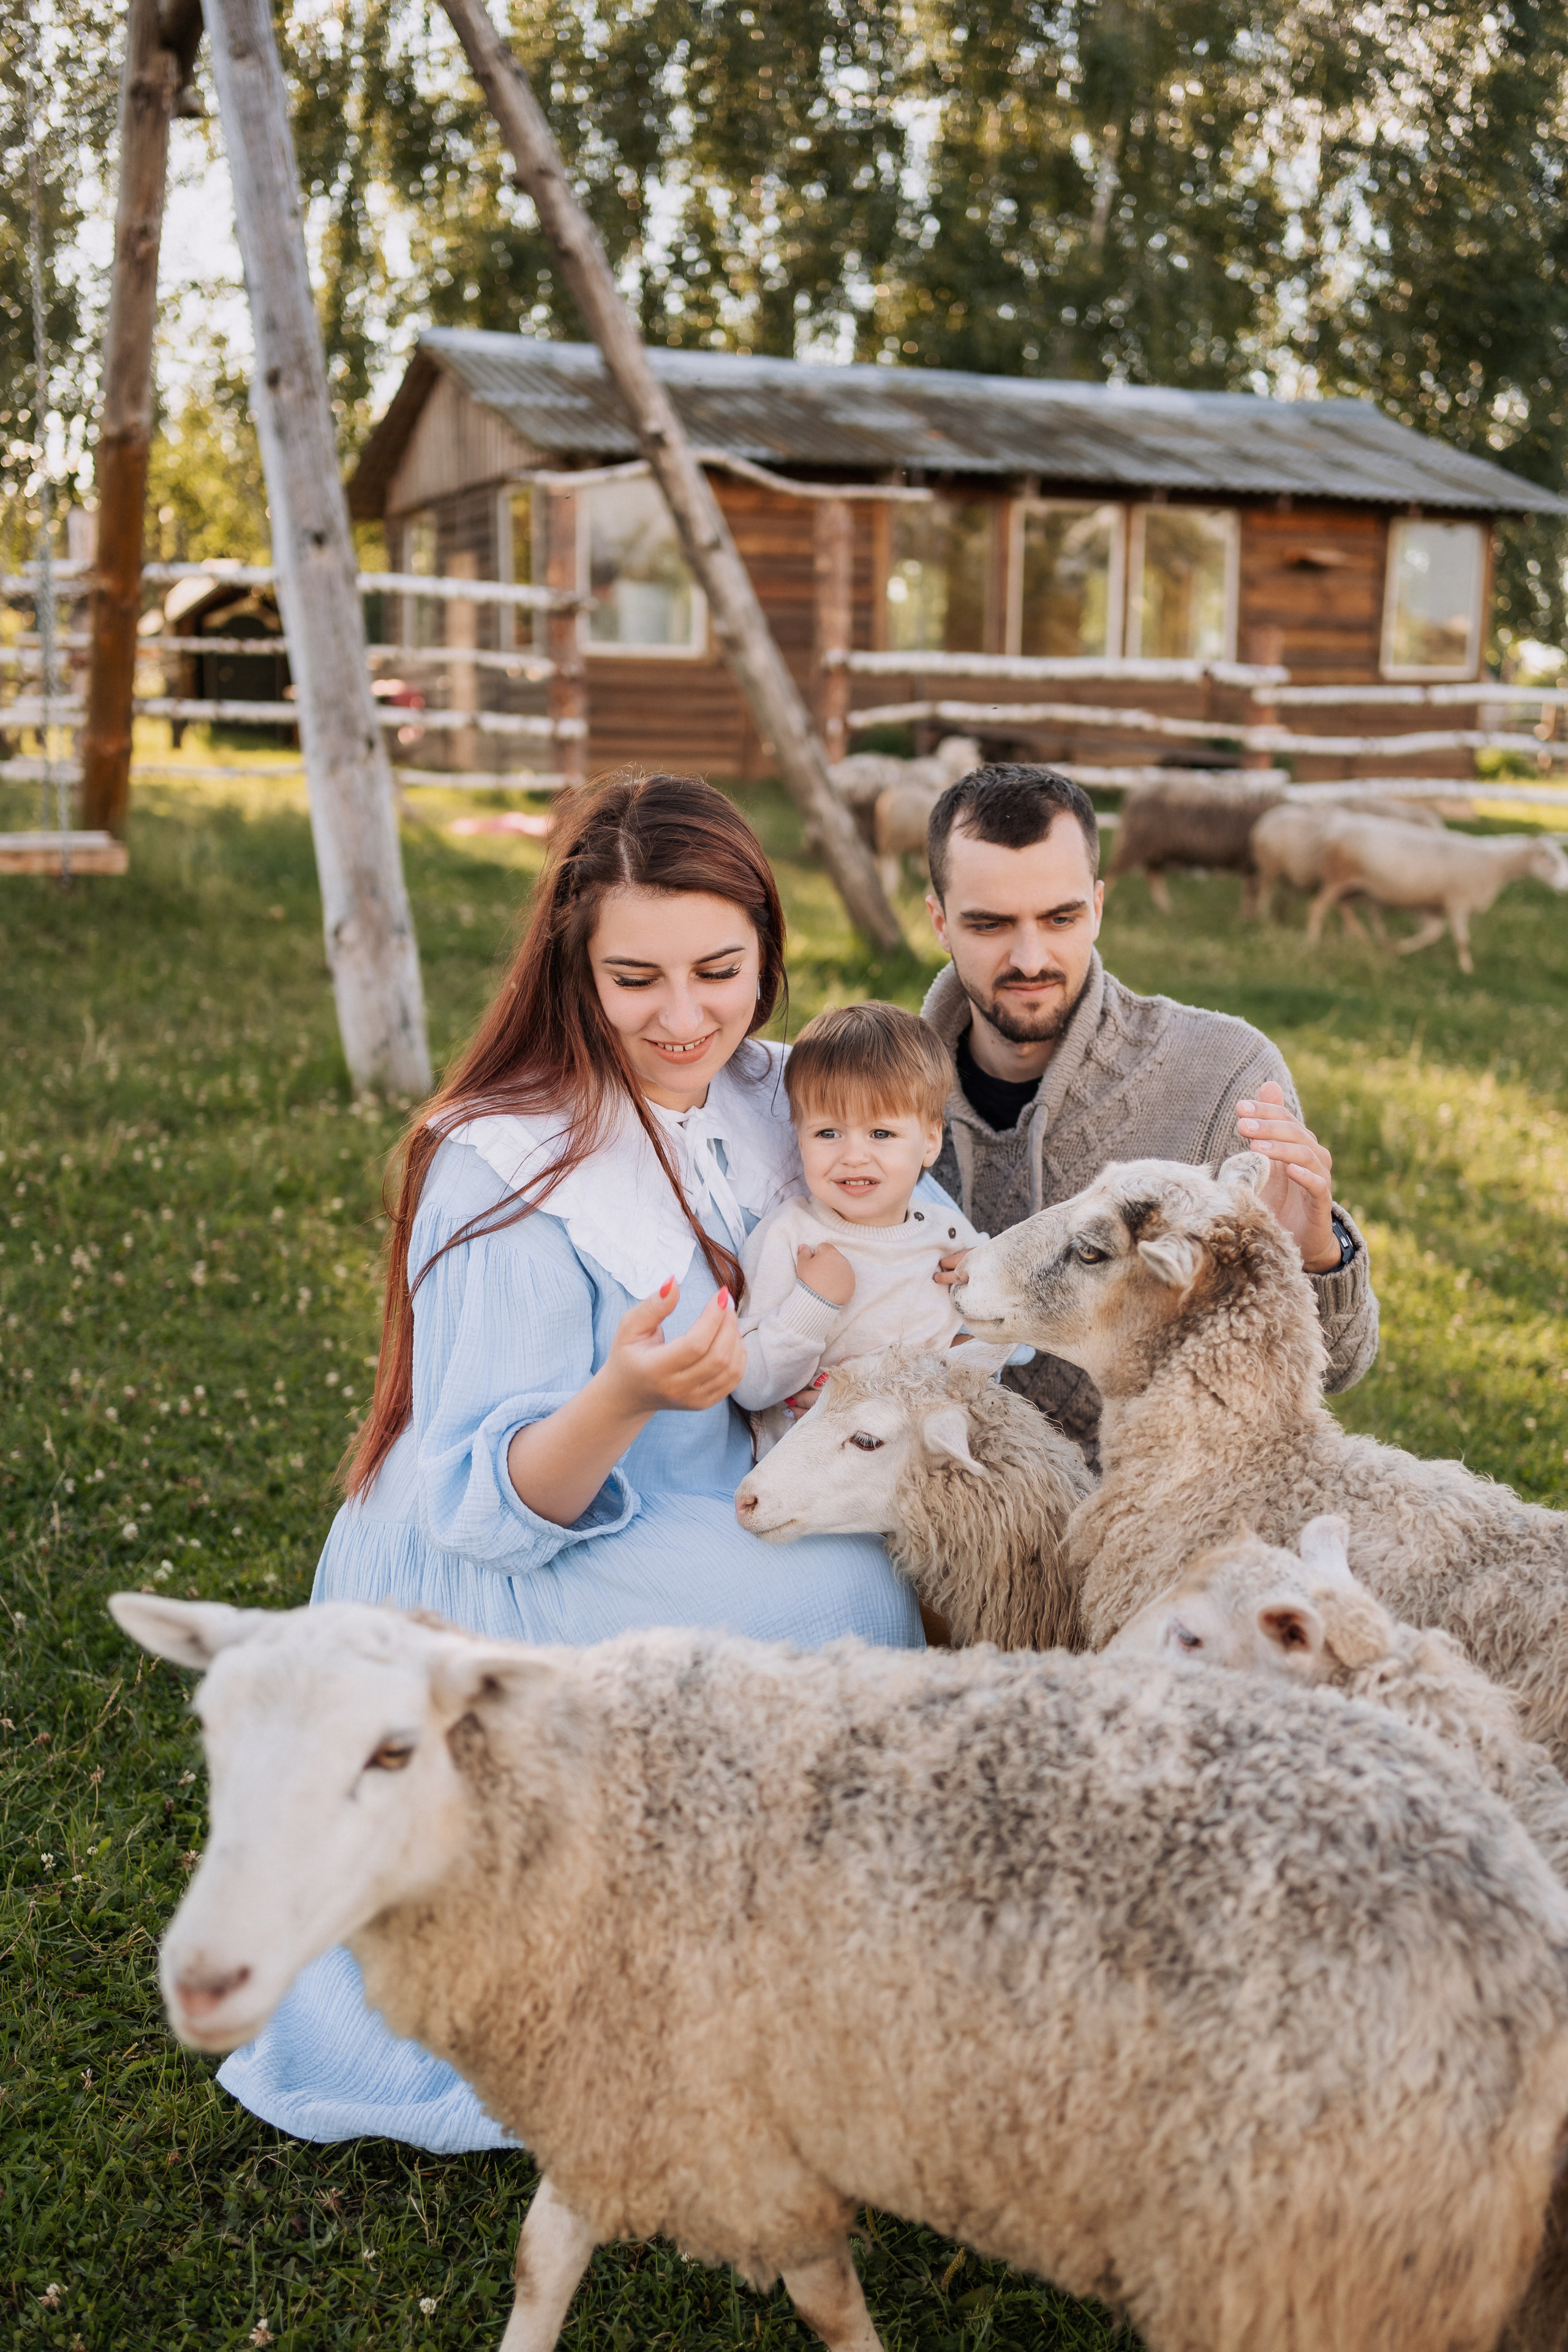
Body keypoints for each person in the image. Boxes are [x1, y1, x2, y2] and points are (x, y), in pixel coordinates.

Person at [217, 774, 923, 2153]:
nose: (682, 1017)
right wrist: (622, 1392)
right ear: (571, 969)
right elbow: (484, 1507)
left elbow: (921, 1236)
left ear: (769, 959)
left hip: (687, 1484)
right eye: (634, 979)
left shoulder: (776, 1094)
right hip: (509, 1556)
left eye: (719, 971)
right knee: (839, 1604)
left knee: (897, 1554)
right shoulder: (508, 1162)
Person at [921, 764, 1379, 1457]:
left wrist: (1315, 1257)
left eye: (1060, 918)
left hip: (1149, 1522)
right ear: (938, 920)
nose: (1029, 956)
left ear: (1099, 907)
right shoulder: (872, 1098)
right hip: (925, 1507)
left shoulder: (1227, 1075)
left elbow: (1336, 1370)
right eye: (988, 924)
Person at [732, 1003, 984, 1439]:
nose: (852, 1155)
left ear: (929, 1141)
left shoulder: (949, 1239)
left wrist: (990, 1289)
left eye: (880, 1134)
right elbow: (750, 1387)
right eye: (828, 1133)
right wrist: (815, 1302)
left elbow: (1006, 1356)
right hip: (814, 1477)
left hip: (924, 1462)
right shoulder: (791, 1236)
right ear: (801, 1138)